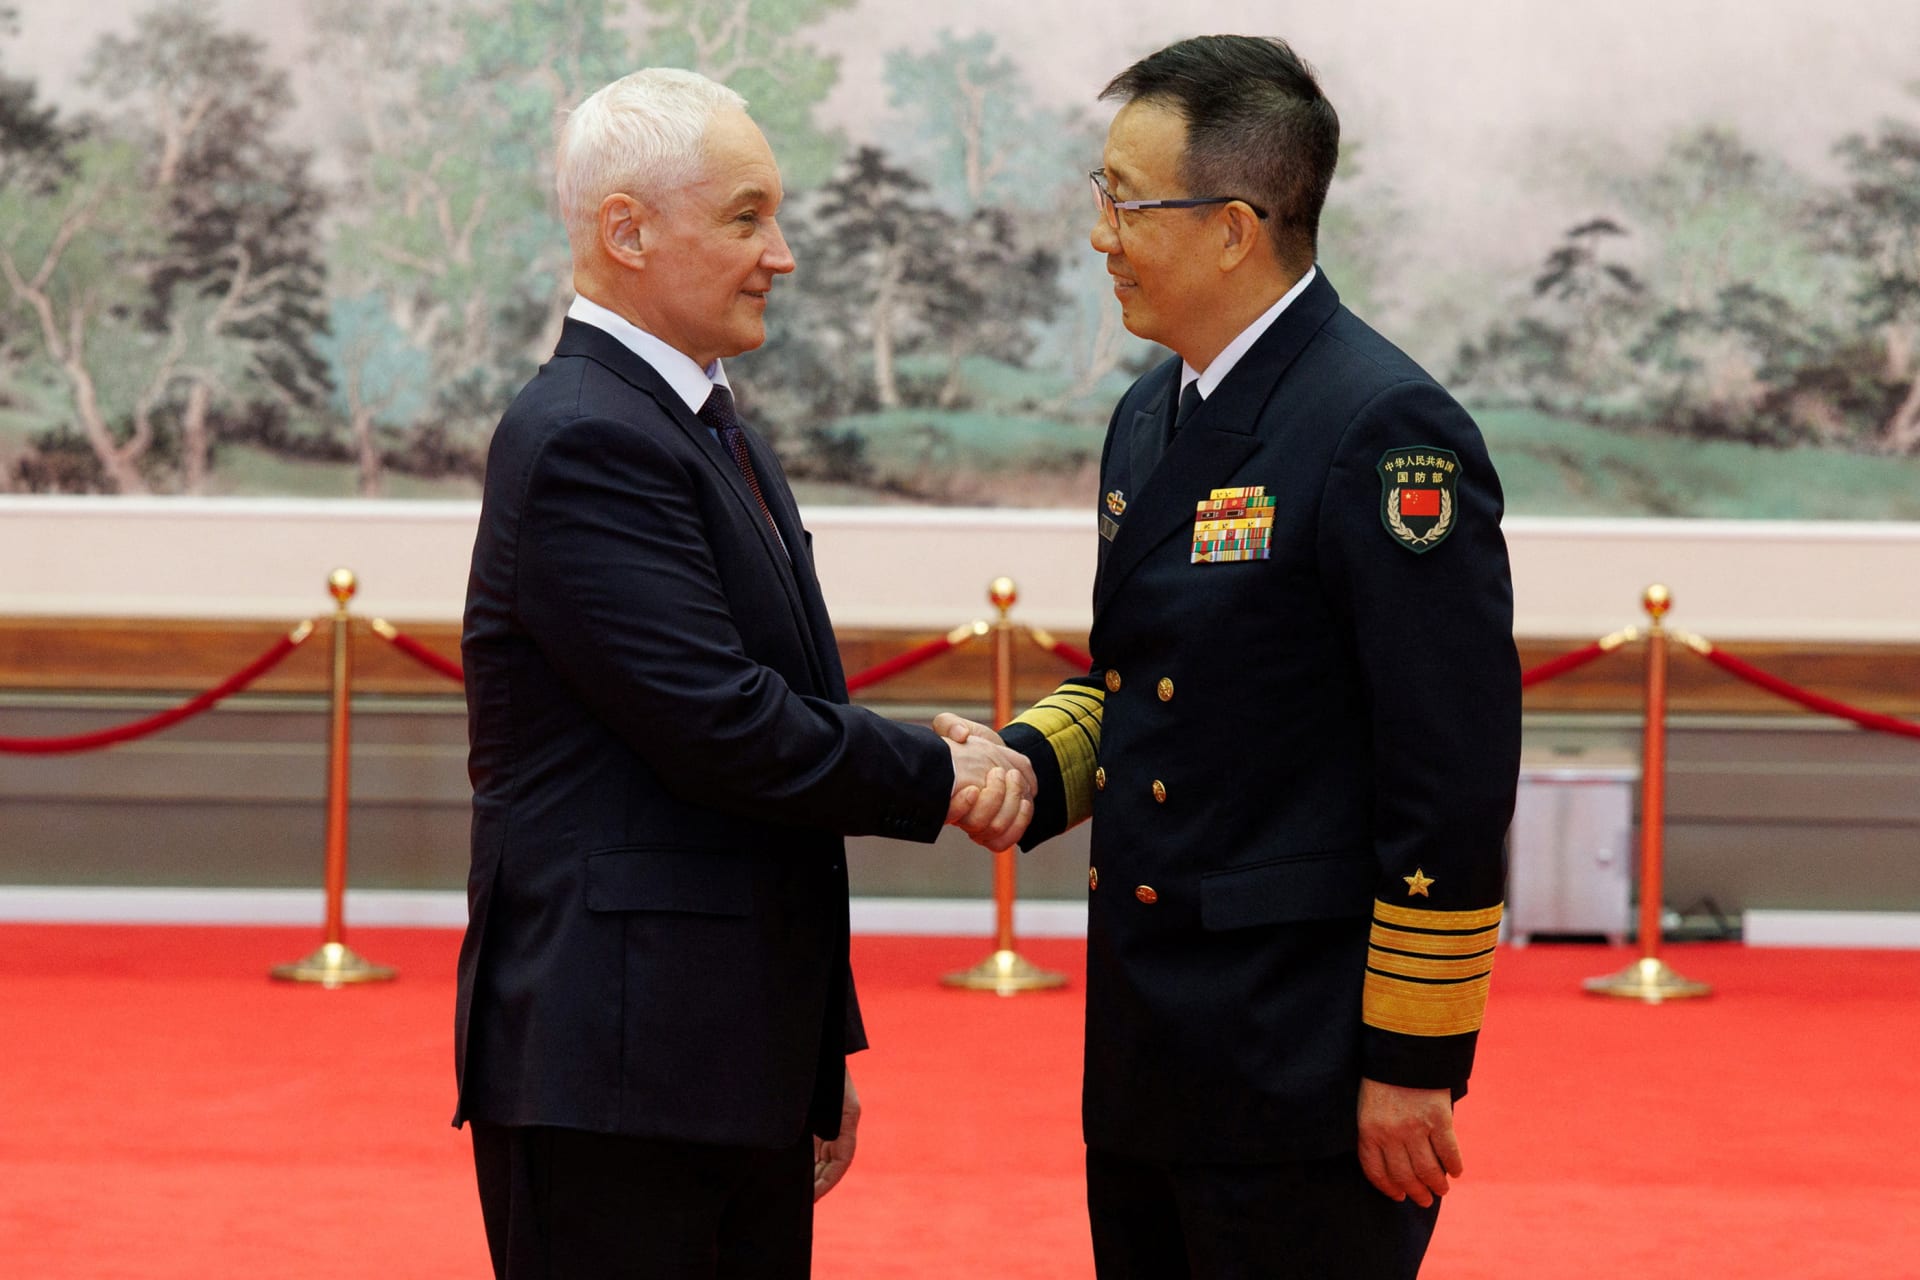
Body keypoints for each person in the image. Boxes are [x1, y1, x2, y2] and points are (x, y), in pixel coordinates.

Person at [939, 35, 1521, 1279]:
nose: (1100, 233)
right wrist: (1029, 763)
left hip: (1301, 1063)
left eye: (1124, 200)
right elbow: (1145, 680)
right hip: (1152, 1047)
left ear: (1235, 228)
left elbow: (1452, 768)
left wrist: (1412, 1058)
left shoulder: (1384, 429)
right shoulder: (1154, 413)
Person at [453, 68, 1032, 1280]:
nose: (781, 253)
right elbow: (720, 723)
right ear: (625, 229)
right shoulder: (583, 437)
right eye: (745, 216)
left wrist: (818, 1053)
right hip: (614, 1070)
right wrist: (943, 772)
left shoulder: (710, 425)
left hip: (723, 1058)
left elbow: (780, 744)